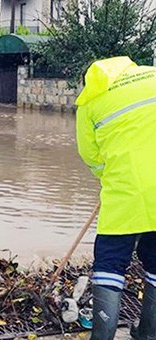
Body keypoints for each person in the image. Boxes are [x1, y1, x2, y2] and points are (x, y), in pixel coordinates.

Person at [75, 56, 156, 340]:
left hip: (125, 194)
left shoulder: (90, 101)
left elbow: (91, 157)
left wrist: (110, 176)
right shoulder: (152, 76)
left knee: (110, 263)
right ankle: (148, 333)